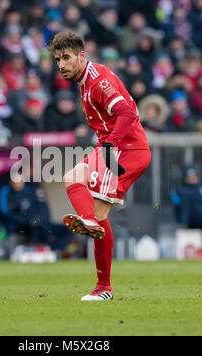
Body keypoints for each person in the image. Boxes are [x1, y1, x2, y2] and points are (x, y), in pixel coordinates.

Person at [48, 32, 151, 301]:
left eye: (67, 57)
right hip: (110, 147)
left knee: (98, 214)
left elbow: (127, 113)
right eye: (58, 59)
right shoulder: (84, 79)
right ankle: (91, 224)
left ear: (82, 56)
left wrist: (110, 144)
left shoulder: (98, 81)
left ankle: (103, 288)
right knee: (71, 179)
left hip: (126, 151)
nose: (61, 64)